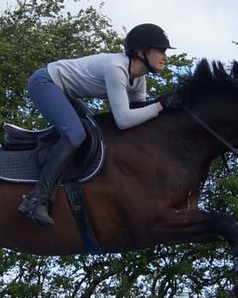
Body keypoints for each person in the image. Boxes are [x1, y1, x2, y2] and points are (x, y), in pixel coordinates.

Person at [18, 22, 173, 228]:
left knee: (93, 131)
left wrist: (166, 109)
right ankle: (35, 200)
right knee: (75, 133)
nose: (165, 57)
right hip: (45, 83)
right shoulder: (117, 69)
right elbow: (124, 120)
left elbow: (140, 113)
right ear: (141, 52)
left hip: (64, 91)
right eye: (160, 51)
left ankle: (47, 144)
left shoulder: (139, 78)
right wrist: (160, 106)